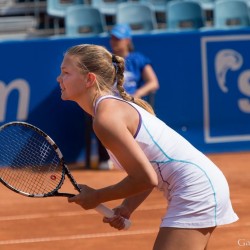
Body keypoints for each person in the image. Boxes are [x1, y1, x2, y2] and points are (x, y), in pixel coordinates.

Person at [57, 44, 238, 250]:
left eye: (65, 73)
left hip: (196, 190)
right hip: (201, 184)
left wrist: (97, 196)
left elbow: (145, 178)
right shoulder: (109, 109)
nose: (59, 79)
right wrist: (127, 207)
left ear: (89, 79)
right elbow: (149, 169)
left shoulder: (106, 118)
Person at [95, 23, 160, 170]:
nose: (114, 42)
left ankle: (141, 159)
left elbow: (153, 83)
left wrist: (136, 95)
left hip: (132, 103)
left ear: (127, 41)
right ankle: (106, 159)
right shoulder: (105, 60)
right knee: (101, 114)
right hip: (110, 104)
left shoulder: (138, 59)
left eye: (118, 39)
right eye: (112, 38)